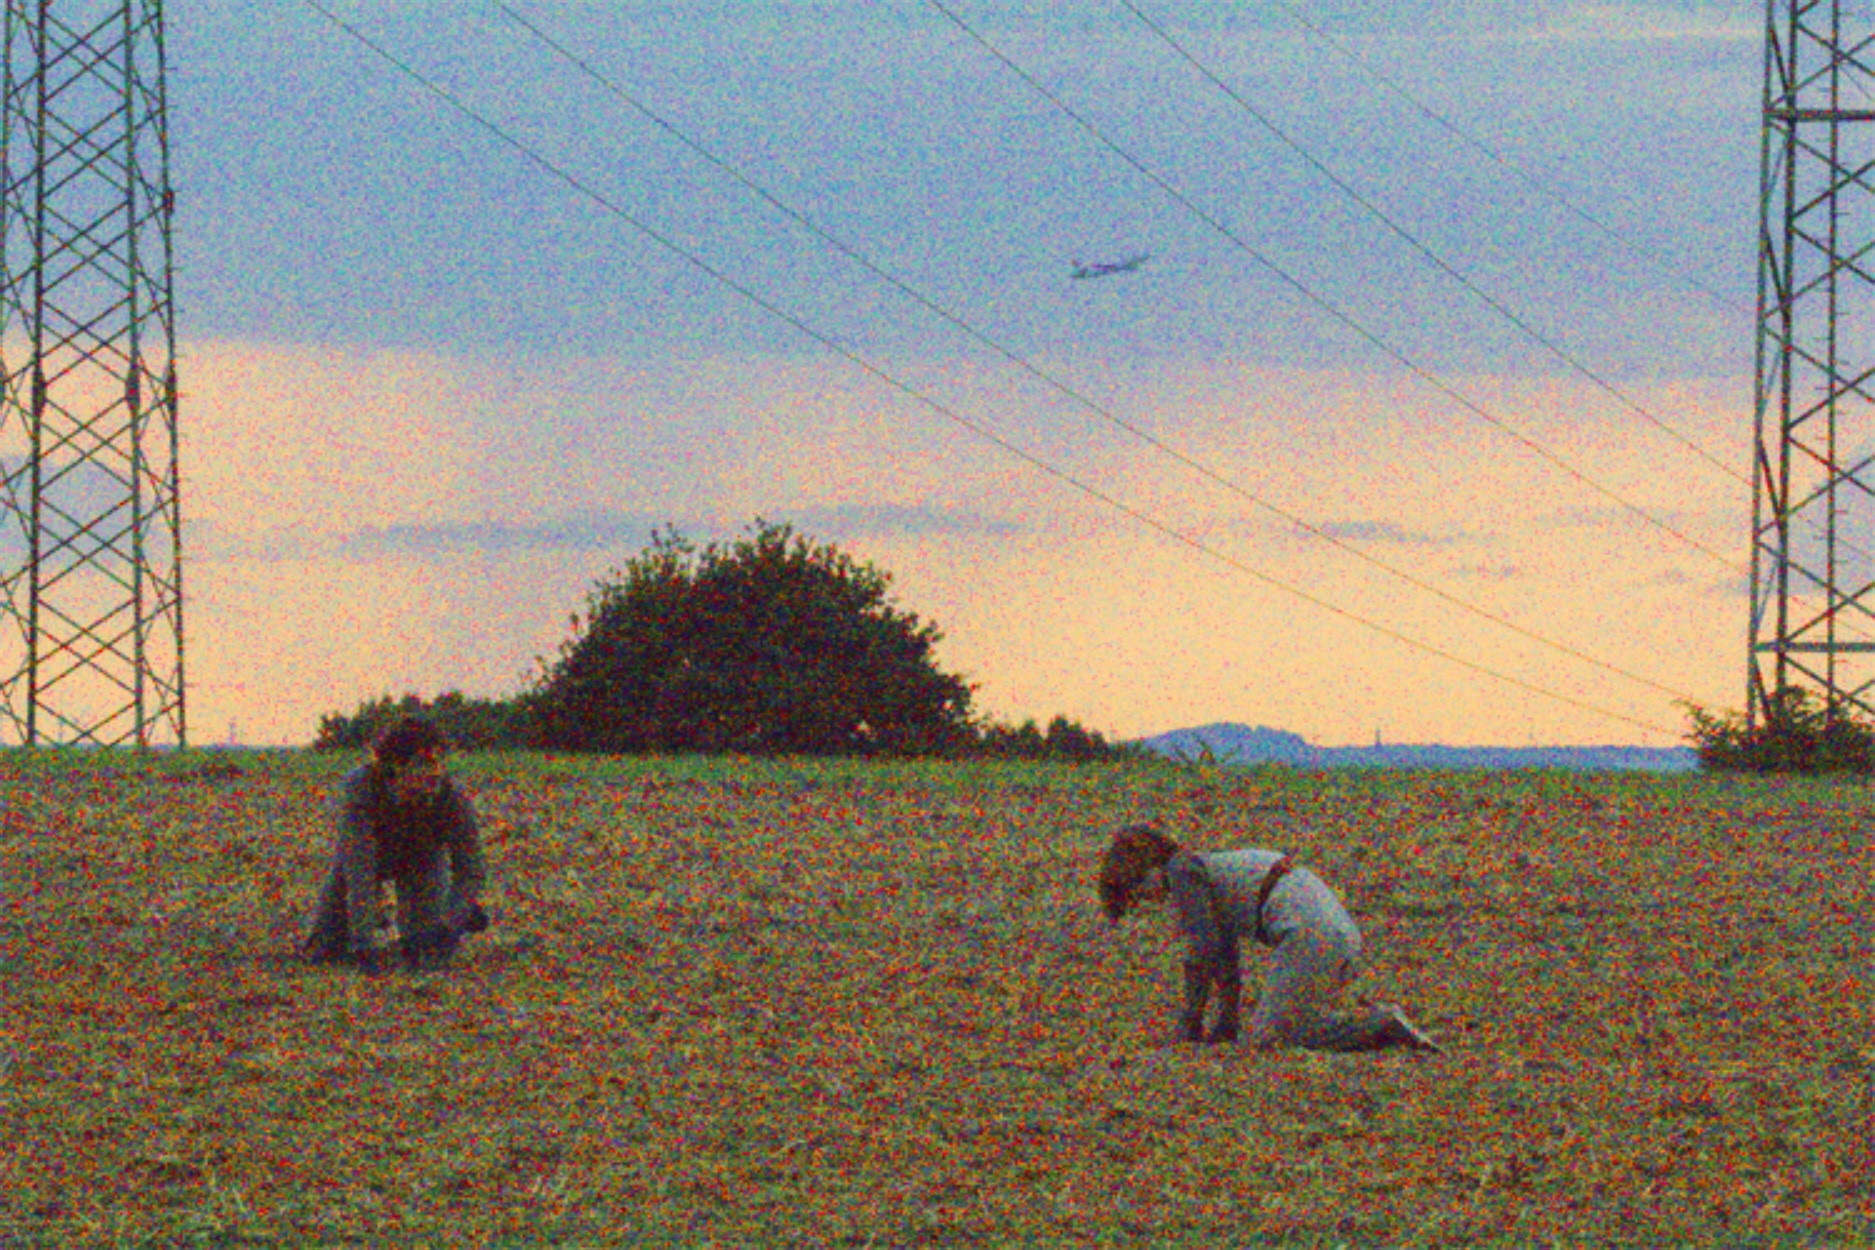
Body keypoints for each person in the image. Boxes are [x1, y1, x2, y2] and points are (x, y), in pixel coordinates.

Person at [1098, 822, 1440, 1053]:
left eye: (1139, 887)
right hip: (1332, 928)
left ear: (1148, 865)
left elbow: (1202, 950)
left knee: (1269, 1040)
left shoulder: (1182, 871)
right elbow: (1224, 955)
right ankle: (1365, 1025)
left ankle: (1380, 1024)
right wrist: (1225, 1023)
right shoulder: (1203, 869)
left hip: (1308, 932)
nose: (1144, 898)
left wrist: (1190, 1022)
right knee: (1285, 1026)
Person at [301, 716, 491, 973]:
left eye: (438, 762)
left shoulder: (453, 798)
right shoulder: (361, 788)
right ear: (395, 766)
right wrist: (363, 944)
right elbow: (359, 873)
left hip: (422, 863)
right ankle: (380, 925)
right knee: (324, 949)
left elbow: (471, 870)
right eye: (423, 763)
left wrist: (450, 923)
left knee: (426, 952)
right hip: (368, 860)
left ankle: (448, 916)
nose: (435, 772)